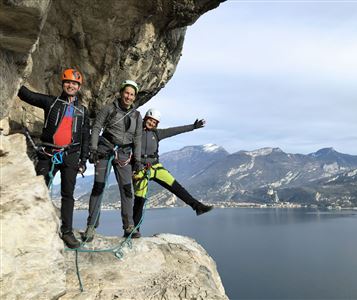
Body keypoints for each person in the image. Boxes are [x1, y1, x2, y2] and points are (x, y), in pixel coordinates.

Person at [17, 69, 90, 249]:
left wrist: (83, 160)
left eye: (74, 83)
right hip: (49, 152)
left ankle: (66, 232)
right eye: (68, 82)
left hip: (71, 155)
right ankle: (31, 225)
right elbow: (28, 95)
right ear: (63, 84)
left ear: (79, 87)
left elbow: (85, 137)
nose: (71, 85)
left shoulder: (82, 111)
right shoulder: (51, 102)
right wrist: (15, 75)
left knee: (68, 194)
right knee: (39, 189)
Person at [131, 108, 213, 238]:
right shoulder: (135, 132)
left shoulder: (157, 134)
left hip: (155, 166)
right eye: (150, 120)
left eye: (154, 122)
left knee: (176, 187)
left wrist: (193, 126)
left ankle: (198, 207)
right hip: (140, 168)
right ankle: (134, 230)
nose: (152, 123)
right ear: (145, 119)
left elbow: (175, 131)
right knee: (139, 201)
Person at [83, 80, 143, 242]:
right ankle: (91, 226)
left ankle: (129, 226)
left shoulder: (137, 116)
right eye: (126, 93)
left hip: (124, 153)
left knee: (127, 190)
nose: (128, 97)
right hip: (105, 149)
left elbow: (137, 138)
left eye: (132, 94)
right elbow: (96, 127)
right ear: (121, 93)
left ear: (134, 97)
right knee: (99, 187)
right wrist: (93, 149)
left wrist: (137, 160)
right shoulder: (109, 109)